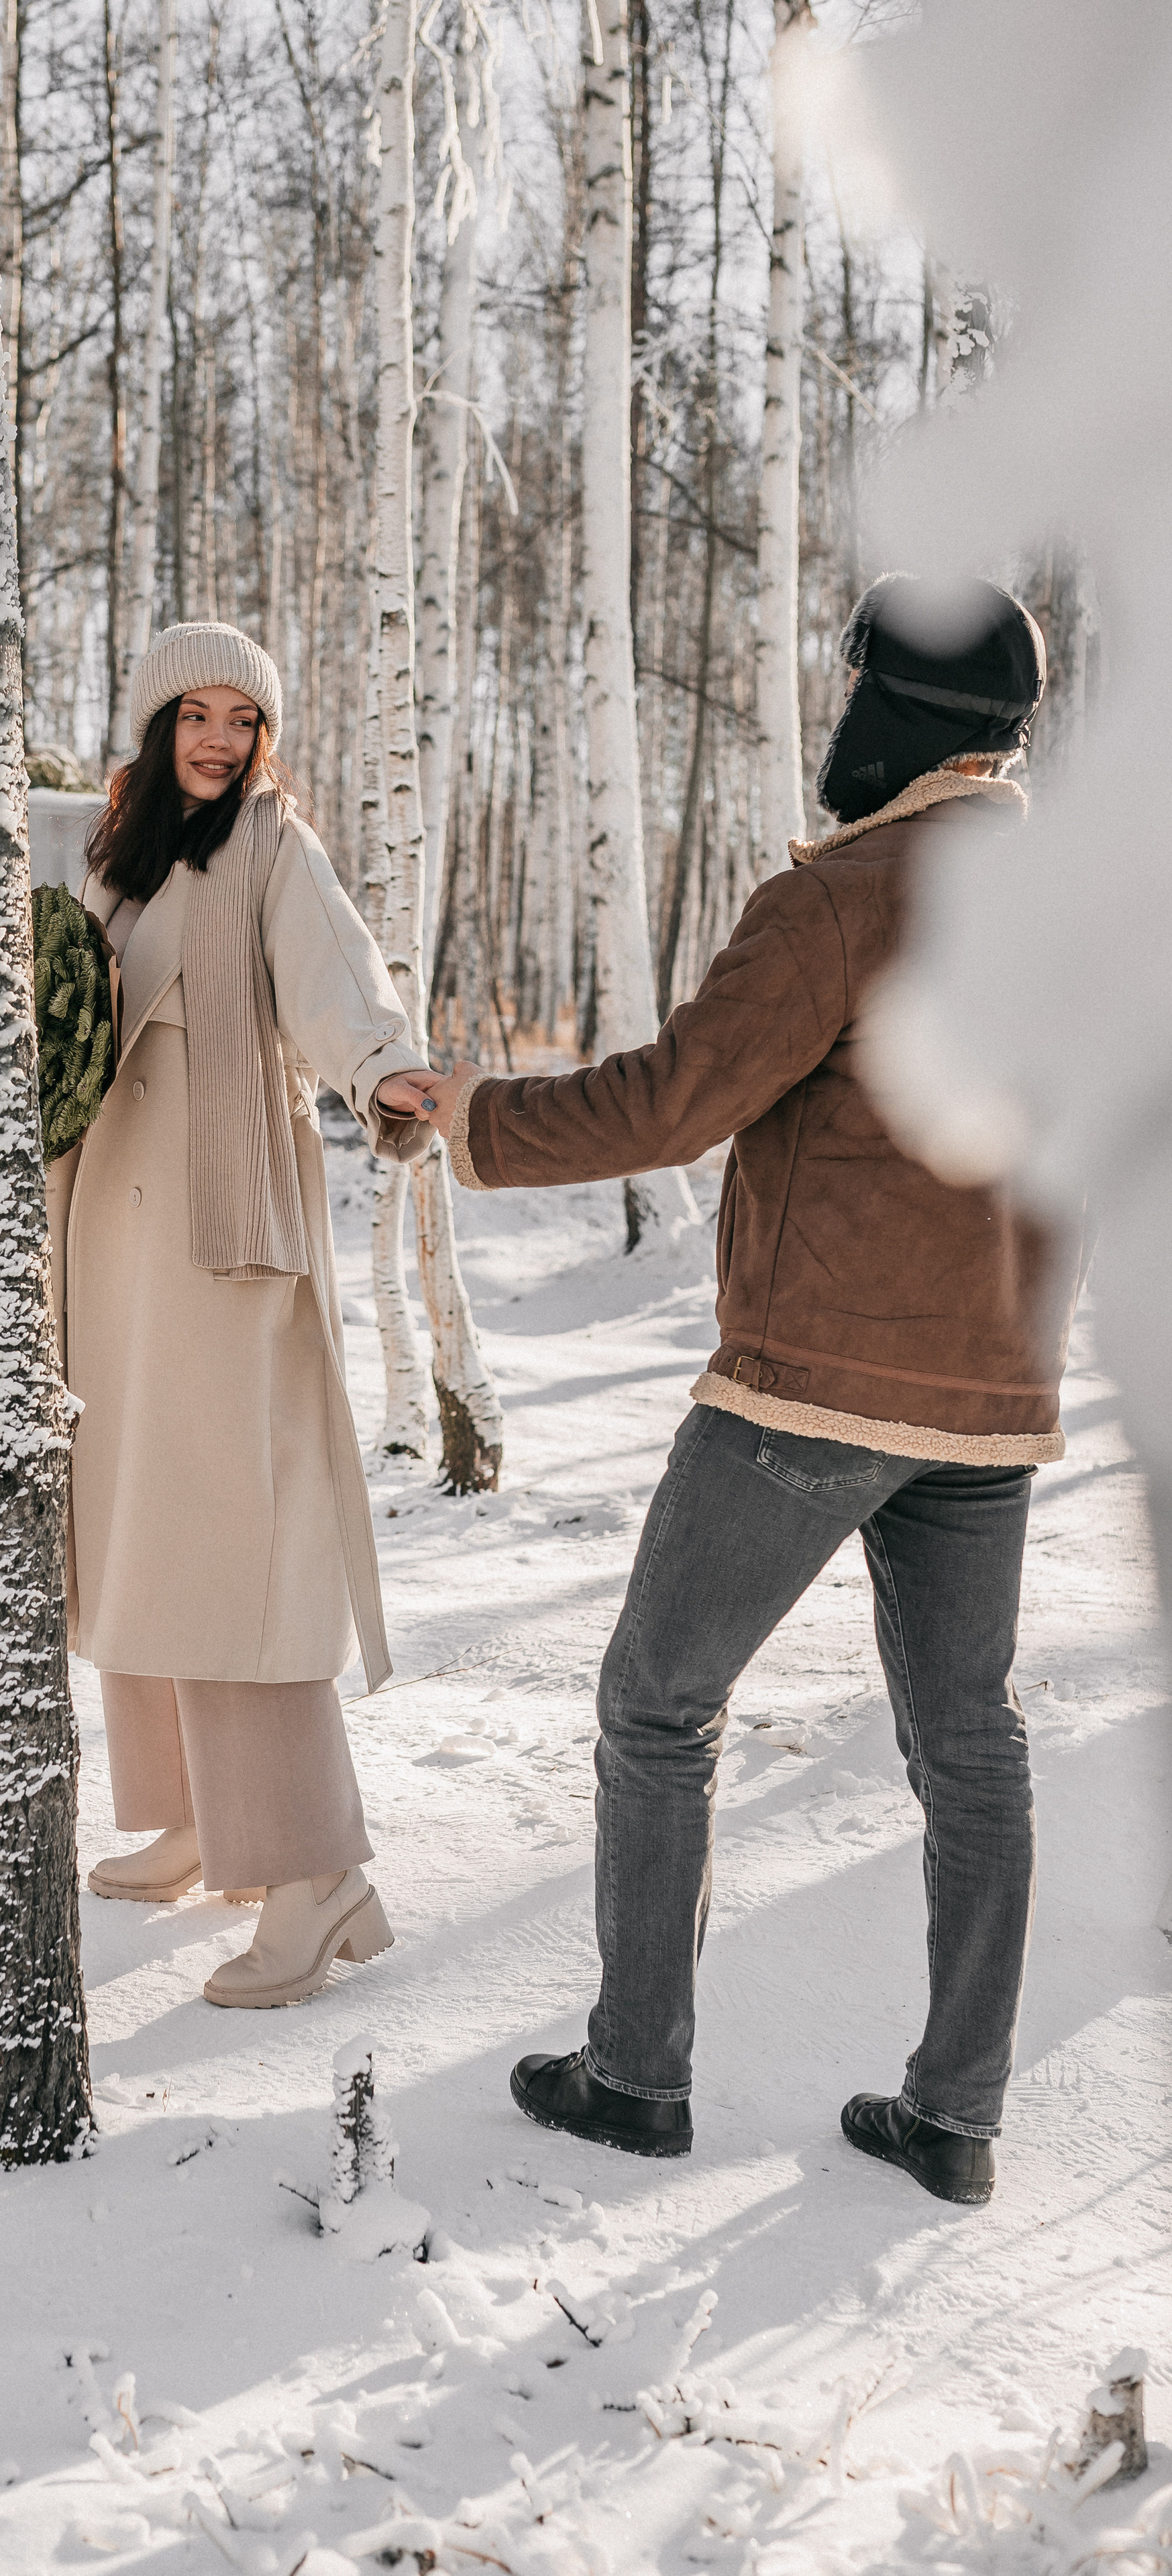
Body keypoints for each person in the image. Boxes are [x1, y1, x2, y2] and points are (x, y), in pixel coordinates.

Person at [417, 574, 1071, 2204]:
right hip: (988, 1392)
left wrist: (472, 1118)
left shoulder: (845, 895)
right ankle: (953, 2116)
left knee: (655, 1705)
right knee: (969, 1749)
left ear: (884, 713)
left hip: (812, 1390)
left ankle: (635, 2077)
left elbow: (678, 1098)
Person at [48, 621, 438, 2008]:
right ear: (152, 732)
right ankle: (197, 1816)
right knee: (138, 1518)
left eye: (241, 719)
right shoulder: (111, 853)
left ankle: (314, 1874)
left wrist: (387, 1076)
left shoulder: (273, 847)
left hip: (223, 1245)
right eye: (191, 716)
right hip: (112, 1237)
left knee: (231, 1547)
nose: (218, 739)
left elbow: (340, 984)